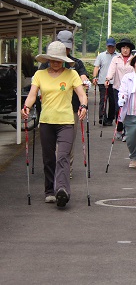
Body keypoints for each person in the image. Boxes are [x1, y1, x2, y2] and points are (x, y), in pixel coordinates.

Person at [22, 41, 88, 208]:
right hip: (46, 122)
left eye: (59, 59)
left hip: (66, 122)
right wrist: (26, 107)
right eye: (53, 59)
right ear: (48, 59)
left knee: (63, 156)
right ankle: (49, 191)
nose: (56, 63)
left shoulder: (72, 74)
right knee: (48, 158)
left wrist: (84, 106)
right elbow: (32, 95)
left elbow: (82, 95)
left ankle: (62, 190)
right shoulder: (40, 75)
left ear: (64, 59)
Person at [38, 30, 90, 179]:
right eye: (63, 46)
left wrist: (84, 84)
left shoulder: (76, 63)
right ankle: (54, 171)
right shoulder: (45, 66)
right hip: (50, 110)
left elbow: (83, 77)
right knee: (50, 146)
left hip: (71, 108)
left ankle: (66, 171)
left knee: (67, 145)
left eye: (68, 47)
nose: (66, 50)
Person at [105, 38, 135, 141]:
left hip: (131, 89)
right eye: (123, 47)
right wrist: (108, 78)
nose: (125, 50)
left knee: (128, 111)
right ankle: (119, 128)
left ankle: (127, 132)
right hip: (118, 88)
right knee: (119, 110)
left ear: (130, 49)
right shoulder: (116, 59)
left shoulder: (134, 59)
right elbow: (111, 70)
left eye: (127, 48)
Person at [92, 37, 117, 126]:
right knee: (103, 100)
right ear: (106, 46)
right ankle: (102, 118)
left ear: (115, 46)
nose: (110, 48)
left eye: (112, 46)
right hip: (102, 81)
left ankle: (110, 118)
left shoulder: (118, 56)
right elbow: (96, 67)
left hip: (114, 82)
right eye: (109, 46)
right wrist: (94, 77)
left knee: (113, 101)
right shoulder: (101, 55)